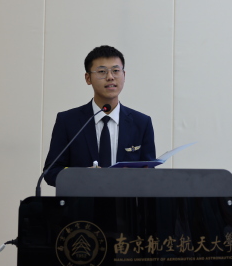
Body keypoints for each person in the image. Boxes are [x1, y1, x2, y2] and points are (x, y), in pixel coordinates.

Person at [43, 45, 156, 186]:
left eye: (116, 71)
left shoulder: (141, 123)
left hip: (125, 200)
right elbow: (51, 172)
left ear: (124, 75)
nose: (110, 77)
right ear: (88, 78)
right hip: (83, 199)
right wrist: (82, 176)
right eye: (102, 71)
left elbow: (150, 174)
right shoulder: (68, 121)